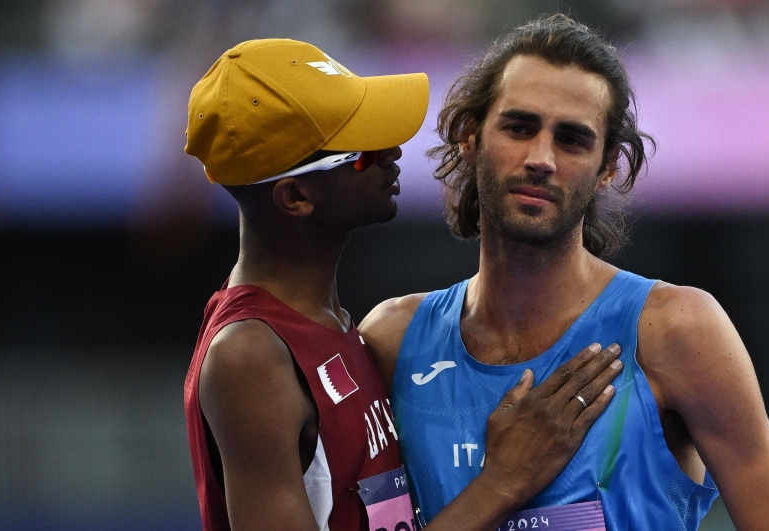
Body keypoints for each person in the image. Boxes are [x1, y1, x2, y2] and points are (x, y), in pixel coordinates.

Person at [360, 15, 769, 531]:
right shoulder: (392, 341)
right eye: (519, 127)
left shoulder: (674, 331)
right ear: (470, 137)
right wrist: (502, 482)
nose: (541, 158)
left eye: (572, 139)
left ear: (608, 166)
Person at [181, 38, 625, 531]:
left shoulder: (335, 324)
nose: (390, 151)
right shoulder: (249, 355)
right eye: (360, 152)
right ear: (297, 196)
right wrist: (503, 480)